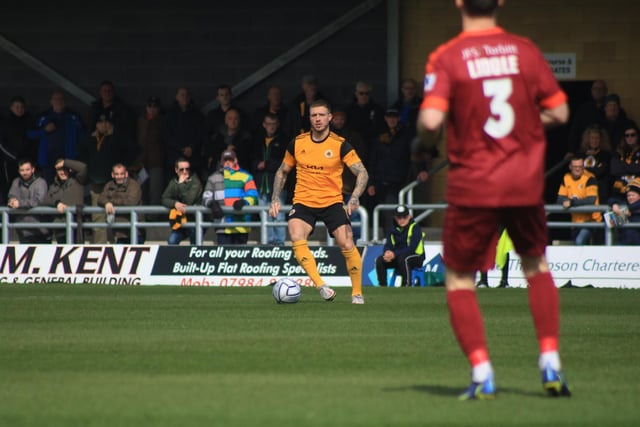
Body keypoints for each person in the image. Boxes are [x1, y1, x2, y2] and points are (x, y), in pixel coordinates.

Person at [416, 0, 571, 399]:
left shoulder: (447, 56)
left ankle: (483, 371)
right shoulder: (525, 50)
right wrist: (524, 125)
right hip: (524, 181)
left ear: (458, 3)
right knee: (535, 264)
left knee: (459, 277)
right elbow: (561, 111)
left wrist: (427, 141)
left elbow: (431, 122)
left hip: (474, 184)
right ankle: (550, 361)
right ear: (500, 2)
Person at [269, 99, 369, 304]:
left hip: (332, 202)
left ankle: (357, 293)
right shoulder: (297, 143)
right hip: (303, 202)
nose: (318, 119)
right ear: (310, 118)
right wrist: (274, 199)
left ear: (330, 118)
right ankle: (321, 286)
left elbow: (362, 172)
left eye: (322, 115)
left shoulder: (340, 145)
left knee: (346, 241)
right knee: (296, 235)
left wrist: (355, 197)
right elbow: (282, 171)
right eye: (314, 115)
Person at [77, 114, 133, 243]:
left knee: (115, 219)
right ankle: (100, 249)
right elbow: (81, 153)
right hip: (96, 185)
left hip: (114, 185)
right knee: (97, 219)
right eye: (100, 123)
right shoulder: (90, 139)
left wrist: (113, 135)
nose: (104, 125)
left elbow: (132, 149)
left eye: (106, 122)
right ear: (96, 125)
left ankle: (114, 248)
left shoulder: (117, 138)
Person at [366, 108, 416, 230]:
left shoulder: (406, 134)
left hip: (397, 181)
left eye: (394, 117)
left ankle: (392, 237)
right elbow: (373, 160)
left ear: (398, 119)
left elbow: (415, 155)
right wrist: (370, 182)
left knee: (391, 208)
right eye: (389, 117)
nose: (392, 120)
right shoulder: (379, 134)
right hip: (379, 180)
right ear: (385, 119)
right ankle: (385, 237)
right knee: (380, 210)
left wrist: (421, 170)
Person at [29, 89, 84, 183]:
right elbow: (30, 134)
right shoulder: (44, 117)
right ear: (51, 101)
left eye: (61, 99)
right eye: (56, 99)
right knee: (50, 190)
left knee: (67, 189)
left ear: (65, 102)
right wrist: (44, 130)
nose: (58, 101)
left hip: (67, 161)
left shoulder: (73, 117)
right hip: (48, 161)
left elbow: (83, 136)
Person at [206, 150, 258, 244]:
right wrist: (212, 204)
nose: (227, 162)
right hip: (222, 225)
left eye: (230, 160)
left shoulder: (246, 176)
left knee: (241, 258)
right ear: (221, 162)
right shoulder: (213, 178)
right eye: (225, 160)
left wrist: (244, 202)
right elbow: (206, 197)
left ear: (235, 160)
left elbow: (253, 195)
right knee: (223, 258)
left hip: (241, 225)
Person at [251, 112, 289, 245]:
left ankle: (279, 243)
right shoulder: (257, 140)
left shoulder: (284, 140)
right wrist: (257, 164)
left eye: (274, 124)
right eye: (268, 124)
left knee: (278, 215)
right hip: (261, 184)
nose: (271, 127)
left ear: (278, 125)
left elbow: (285, 162)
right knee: (265, 215)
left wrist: (266, 164)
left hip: (277, 184)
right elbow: (252, 160)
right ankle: (268, 242)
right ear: (264, 125)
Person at [375, 205, 425, 287]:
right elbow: (388, 244)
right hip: (398, 256)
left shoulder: (415, 228)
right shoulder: (392, 229)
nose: (402, 220)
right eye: (399, 217)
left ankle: (406, 284)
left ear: (409, 217)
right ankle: (382, 286)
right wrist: (387, 252)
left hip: (416, 256)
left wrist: (394, 254)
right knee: (380, 260)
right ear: (395, 218)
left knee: (404, 259)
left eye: (404, 217)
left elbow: (411, 248)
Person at [557, 156, 603, 245]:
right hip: (576, 222)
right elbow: (560, 199)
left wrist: (571, 202)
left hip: (592, 221)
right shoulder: (566, 178)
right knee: (576, 246)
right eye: (575, 167)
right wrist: (566, 201)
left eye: (580, 167)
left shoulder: (590, 178)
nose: (578, 169)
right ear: (570, 167)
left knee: (579, 241)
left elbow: (591, 200)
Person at [0, 96, 37, 201]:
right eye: (17, 107)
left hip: (27, 161)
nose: (20, 109)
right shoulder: (5, 123)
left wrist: (30, 158)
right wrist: (14, 157)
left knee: (28, 186)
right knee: (11, 186)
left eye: (21, 107)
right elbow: (2, 144)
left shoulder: (29, 122)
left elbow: (33, 141)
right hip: (10, 162)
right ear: (11, 108)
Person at [164, 87, 204, 184]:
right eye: (182, 95)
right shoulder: (169, 115)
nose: (184, 97)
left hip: (193, 158)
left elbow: (200, 134)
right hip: (175, 158)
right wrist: (180, 149)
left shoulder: (197, 114)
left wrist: (191, 148)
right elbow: (167, 135)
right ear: (177, 97)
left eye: (186, 95)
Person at [97, 163, 143, 243]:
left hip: (135, 230)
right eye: (117, 174)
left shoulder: (134, 185)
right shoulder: (109, 185)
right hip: (118, 232)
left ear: (126, 174)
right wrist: (106, 203)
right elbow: (100, 198)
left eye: (122, 174)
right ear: (112, 175)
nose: (119, 177)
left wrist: (111, 201)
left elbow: (130, 202)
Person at [7, 159, 51, 243]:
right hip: (23, 230)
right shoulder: (16, 182)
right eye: (22, 170)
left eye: (27, 169)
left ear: (33, 169)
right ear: (19, 171)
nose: (25, 172)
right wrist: (12, 201)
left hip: (41, 231)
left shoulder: (41, 182)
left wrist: (20, 204)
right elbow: (12, 196)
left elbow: (39, 201)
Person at [44, 158, 87, 243]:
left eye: (64, 169)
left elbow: (83, 168)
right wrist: (57, 203)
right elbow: (45, 200)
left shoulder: (77, 181)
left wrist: (66, 163)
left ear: (70, 169)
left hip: (76, 227)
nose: (62, 172)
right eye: (59, 170)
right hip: (60, 228)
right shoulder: (53, 186)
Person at [202, 108, 253, 179]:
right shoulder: (217, 136)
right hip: (217, 174)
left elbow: (245, 156)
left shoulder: (245, 137)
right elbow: (213, 152)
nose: (233, 121)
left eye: (235, 119)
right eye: (230, 119)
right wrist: (226, 150)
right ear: (226, 121)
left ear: (239, 121)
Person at [161, 158, 203, 245]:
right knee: (172, 241)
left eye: (187, 169)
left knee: (194, 245)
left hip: (194, 220)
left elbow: (188, 201)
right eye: (182, 169)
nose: (185, 172)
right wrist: (175, 203)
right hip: (180, 221)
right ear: (176, 170)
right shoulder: (173, 182)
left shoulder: (195, 182)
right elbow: (164, 199)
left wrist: (181, 185)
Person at [134, 96, 165, 206]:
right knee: (141, 190)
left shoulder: (163, 121)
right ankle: (142, 218)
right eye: (150, 106)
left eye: (155, 106)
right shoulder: (140, 121)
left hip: (157, 162)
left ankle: (153, 218)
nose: (152, 109)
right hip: (141, 162)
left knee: (155, 191)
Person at [566, 79, 608, 156]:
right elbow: (575, 130)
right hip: (585, 150)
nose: (597, 91)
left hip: (604, 151)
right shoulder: (584, 109)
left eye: (600, 89)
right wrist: (571, 150)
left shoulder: (610, 108)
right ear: (591, 91)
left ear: (606, 91)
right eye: (595, 89)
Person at [344, 81, 385, 151]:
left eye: (367, 94)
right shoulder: (348, 110)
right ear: (356, 94)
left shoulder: (377, 109)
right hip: (354, 145)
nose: (364, 96)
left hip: (372, 145)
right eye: (361, 93)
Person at [578, 124, 612, 204]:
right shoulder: (581, 154)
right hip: (582, 188)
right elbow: (576, 170)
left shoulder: (606, 155)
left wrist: (584, 168)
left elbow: (600, 171)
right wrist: (594, 169)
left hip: (600, 190)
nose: (594, 140)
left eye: (597, 138)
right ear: (588, 139)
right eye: (592, 138)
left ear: (601, 140)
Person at [610, 122, 640, 202]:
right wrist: (631, 166)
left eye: (632, 135)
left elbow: (638, 169)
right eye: (627, 135)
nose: (630, 138)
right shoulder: (619, 152)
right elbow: (614, 170)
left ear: (637, 136)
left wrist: (622, 165)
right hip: (619, 192)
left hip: (637, 193)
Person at [609, 178, 640, 245]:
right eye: (628, 195)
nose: (630, 197)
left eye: (633, 195)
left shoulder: (628, 207)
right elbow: (610, 199)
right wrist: (614, 204)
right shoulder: (624, 205)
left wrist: (629, 209)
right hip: (624, 244)